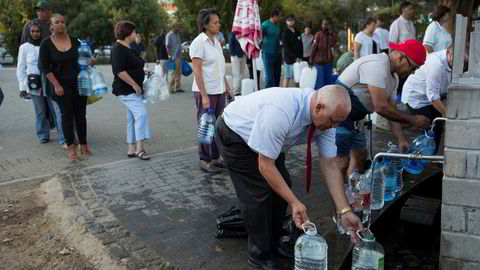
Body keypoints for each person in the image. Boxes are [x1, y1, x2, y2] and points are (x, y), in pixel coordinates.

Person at [215, 85, 363, 269]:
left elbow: (330, 165)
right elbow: (265, 165)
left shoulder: (328, 118)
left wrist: (344, 211)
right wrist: (294, 202)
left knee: (283, 185)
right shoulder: (281, 111)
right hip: (234, 133)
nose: (334, 127)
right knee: (257, 194)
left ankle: (274, 242)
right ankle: (259, 256)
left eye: (338, 123)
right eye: (333, 121)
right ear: (318, 108)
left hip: (264, 140)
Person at [335, 39, 431, 178]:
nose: (412, 73)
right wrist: (413, 120)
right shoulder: (378, 64)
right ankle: (340, 196)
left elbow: (392, 109)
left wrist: (401, 139)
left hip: (356, 118)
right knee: (342, 161)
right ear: (400, 57)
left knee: (360, 157)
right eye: (413, 67)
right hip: (339, 115)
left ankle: (351, 192)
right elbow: (380, 107)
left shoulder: (394, 78)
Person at [39, 14, 92, 160]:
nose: (61, 24)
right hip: (60, 85)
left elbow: (85, 58)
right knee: (66, 116)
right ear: (51, 26)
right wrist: (56, 85)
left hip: (79, 83)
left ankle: (84, 145)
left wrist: (90, 60)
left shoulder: (75, 41)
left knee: (81, 115)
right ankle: (71, 149)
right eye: (57, 22)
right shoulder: (46, 44)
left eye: (63, 21)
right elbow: (45, 67)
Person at [190, 9, 235, 173]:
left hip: (219, 90)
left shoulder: (216, 41)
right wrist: (203, 95)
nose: (218, 25)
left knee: (218, 125)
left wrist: (227, 89)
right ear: (206, 24)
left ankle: (215, 157)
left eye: (218, 22)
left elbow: (219, 69)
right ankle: (204, 159)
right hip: (206, 92)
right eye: (215, 22)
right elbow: (198, 71)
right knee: (205, 125)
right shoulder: (198, 42)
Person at [17, 22, 65, 147]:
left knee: (55, 110)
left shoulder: (47, 44)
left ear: (41, 32)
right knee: (40, 111)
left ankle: (63, 136)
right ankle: (43, 134)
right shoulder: (24, 47)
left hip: (49, 82)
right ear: (29, 32)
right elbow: (21, 68)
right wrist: (22, 87)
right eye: (32, 31)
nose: (35, 33)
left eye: (37, 31)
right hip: (34, 84)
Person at [111, 21, 151, 161]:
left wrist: (144, 71)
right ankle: (140, 148)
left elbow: (132, 65)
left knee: (132, 118)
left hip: (133, 90)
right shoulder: (117, 49)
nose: (135, 34)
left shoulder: (128, 48)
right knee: (141, 114)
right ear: (127, 33)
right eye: (134, 32)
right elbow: (119, 71)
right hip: (126, 90)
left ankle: (131, 148)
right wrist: (134, 84)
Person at [402, 46, 452, 153]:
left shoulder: (450, 61)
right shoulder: (436, 64)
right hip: (416, 97)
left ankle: (430, 159)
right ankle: (417, 161)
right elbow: (433, 97)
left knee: (437, 126)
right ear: (450, 53)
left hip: (429, 96)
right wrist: (449, 115)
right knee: (427, 128)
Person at [389, 1, 415, 98]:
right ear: (403, 10)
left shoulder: (411, 24)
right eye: (410, 9)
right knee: (398, 83)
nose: (412, 11)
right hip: (400, 60)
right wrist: (391, 62)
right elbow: (392, 44)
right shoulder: (396, 23)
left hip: (411, 60)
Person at [310, 19, 337, 90]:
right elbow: (314, 48)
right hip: (319, 63)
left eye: (326, 24)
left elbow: (333, 47)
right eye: (323, 24)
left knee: (329, 83)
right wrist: (311, 59)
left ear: (329, 25)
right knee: (320, 83)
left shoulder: (333, 35)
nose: (324, 26)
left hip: (329, 63)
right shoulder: (318, 34)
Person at [261, 10, 282, 88]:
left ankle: (276, 91)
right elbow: (260, 38)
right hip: (267, 52)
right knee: (269, 76)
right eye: (278, 16)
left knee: (277, 75)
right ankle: (267, 93)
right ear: (274, 16)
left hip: (277, 53)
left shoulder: (278, 26)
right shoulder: (265, 25)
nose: (279, 18)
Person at [281, 15, 303, 87]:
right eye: (289, 20)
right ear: (286, 22)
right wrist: (294, 58)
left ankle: (296, 93)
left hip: (298, 59)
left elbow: (301, 45)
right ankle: (284, 93)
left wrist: (300, 57)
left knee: (298, 78)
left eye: (292, 20)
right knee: (287, 77)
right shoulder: (285, 33)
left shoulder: (298, 32)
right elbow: (286, 48)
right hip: (289, 59)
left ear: (294, 21)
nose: (291, 22)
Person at [166, 23, 184, 93]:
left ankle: (178, 87)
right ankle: (170, 88)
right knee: (172, 73)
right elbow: (167, 47)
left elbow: (179, 45)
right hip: (173, 57)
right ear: (173, 27)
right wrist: (170, 56)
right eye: (178, 27)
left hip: (179, 56)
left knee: (178, 73)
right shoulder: (169, 35)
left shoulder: (177, 34)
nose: (179, 28)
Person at [228, 32, 246, 96]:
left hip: (243, 55)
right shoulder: (233, 33)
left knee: (241, 73)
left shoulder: (243, 31)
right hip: (235, 56)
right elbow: (230, 44)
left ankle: (239, 89)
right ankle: (235, 91)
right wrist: (233, 54)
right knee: (236, 74)